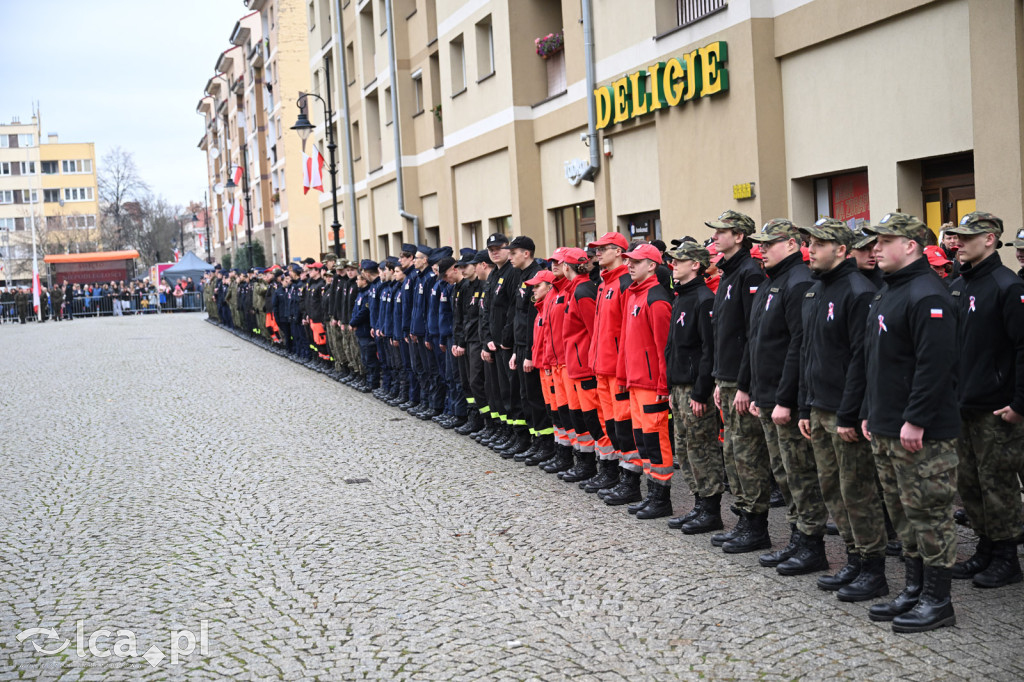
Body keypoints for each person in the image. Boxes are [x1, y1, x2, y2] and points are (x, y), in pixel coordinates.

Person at [861, 212, 960, 633]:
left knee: (929, 512)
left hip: (921, 430)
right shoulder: (890, 290)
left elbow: (934, 366)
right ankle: (914, 588)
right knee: (903, 513)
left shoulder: (926, 294)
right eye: (875, 241)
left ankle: (938, 600)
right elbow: (876, 360)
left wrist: (916, 419)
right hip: (886, 423)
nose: (876, 248)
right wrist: (869, 410)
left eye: (885, 240)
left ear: (912, 246)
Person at [797, 218, 889, 601]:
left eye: (819, 244)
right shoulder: (817, 290)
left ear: (842, 250)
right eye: (810, 243)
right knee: (833, 488)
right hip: (819, 407)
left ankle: (873, 568)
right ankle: (853, 557)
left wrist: (851, 413)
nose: (811, 249)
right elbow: (808, 352)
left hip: (842, 410)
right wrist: (804, 404)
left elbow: (861, 360)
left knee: (858, 491)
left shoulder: (858, 291)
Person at [945, 211, 1024, 589]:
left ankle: (1007, 556)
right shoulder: (959, 285)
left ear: (990, 239)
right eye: (956, 236)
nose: (957, 242)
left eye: (966, 237)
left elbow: (1023, 347)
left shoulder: (1006, 285)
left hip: (997, 407)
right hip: (963, 404)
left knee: (998, 483)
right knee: (970, 483)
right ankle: (986, 548)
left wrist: (1020, 403)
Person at [747, 219, 828, 575]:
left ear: (794, 245)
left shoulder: (798, 282)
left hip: (788, 399)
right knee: (783, 473)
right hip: (768, 395)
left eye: (770, 243)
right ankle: (798, 537)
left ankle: (811, 544)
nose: (761, 249)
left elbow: (799, 346)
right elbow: (758, 342)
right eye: (761, 244)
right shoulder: (773, 281)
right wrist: (753, 389)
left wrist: (786, 399)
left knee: (800, 474)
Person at [707, 210, 773, 554]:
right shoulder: (730, 273)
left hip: (741, 379)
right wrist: (720, 379)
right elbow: (724, 332)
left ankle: (756, 525)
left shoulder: (749, 273)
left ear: (740, 237)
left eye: (723, 231)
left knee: (748, 453)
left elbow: (752, 334)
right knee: (733, 452)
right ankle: (746, 519)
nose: (716, 236)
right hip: (728, 377)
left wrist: (744, 382)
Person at [663, 240, 723, 534]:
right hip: (679, 388)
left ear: (695, 265)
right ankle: (699, 503)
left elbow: (708, 352)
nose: (673, 265)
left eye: (678, 261)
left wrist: (700, 392)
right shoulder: (681, 297)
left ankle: (711, 510)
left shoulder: (703, 299)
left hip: (695, 390)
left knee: (702, 449)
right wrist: (671, 386)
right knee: (685, 449)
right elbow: (674, 347)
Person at [616, 242, 674, 519]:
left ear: (652, 266)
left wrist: (664, 385)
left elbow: (664, 347)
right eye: (628, 261)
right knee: (642, 438)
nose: (629, 265)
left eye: (636, 262)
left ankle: (662, 498)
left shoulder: (656, 298)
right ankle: (652, 493)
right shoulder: (633, 294)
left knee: (655, 438)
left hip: (652, 384)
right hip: (636, 382)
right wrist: (623, 376)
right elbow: (628, 342)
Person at [586, 232, 640, 505]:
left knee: (623, 426)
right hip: (602, 367)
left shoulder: (623, 283)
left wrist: (622, 366)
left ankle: (630, 481)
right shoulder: (605, 283)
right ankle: (616, 474)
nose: (597, 254)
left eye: (602, 249)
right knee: (610, 424)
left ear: (618, 251)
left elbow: (628, 331)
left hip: (617, 369)